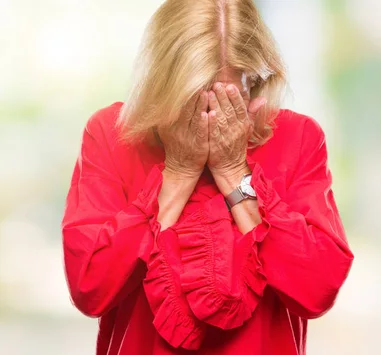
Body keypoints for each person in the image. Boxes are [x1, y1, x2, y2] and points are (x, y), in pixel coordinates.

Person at [61, 0, 354, 354]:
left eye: (229, 97)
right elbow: (90, 288)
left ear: (256, 84)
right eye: (194, 99)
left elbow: (317, 289)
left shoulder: (298, 137)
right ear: (162, 85)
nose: (211, 116)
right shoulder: (112, 134)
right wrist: (180, 171)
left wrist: (233, 172)